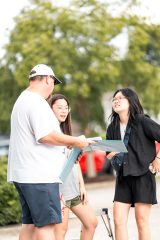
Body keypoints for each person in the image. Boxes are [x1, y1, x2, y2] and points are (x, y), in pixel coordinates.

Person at [7, 64, 94, 240]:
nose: (53, 87)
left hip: (24, 175)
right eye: (53, 82)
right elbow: (45, 136)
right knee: (46, 227)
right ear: (48, 79)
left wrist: (65, 144)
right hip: (39, 177)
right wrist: (77, 141)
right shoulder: (37, 102)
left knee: (30, 225)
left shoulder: (23, 100)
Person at [106, 88, 160, 240]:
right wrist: (111, 153)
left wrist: (158, 158)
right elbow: (109, 154)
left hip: (143, 176)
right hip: (123, 178)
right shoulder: (112, 127)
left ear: (131, 101)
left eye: (120, 98)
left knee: (141, 221)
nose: (116, 101)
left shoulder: (142, 121)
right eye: (114, 98)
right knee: (118, 221)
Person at [49, 94, 98, 240]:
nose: (64, 111)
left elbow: (74, 162)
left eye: (66, 108)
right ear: (50, 109)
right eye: (59, 108)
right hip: (58, 191)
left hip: (73, 190)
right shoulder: (49, 133)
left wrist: (82, 186)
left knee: (91, 223)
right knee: (61, 231)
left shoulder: (66, 133)